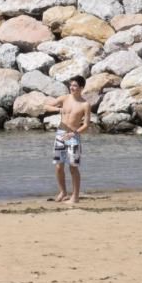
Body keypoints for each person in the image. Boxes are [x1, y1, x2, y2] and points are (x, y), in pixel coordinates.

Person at [43, 76, 90, 205]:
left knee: (73, 167)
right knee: (58, 166)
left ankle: (75, 197)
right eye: (71, 85)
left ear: (81, 88)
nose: (72, 87)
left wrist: (73, 133)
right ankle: (63, 192)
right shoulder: (64, 98)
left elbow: (86, 125)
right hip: (60, 134)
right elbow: (46, 106)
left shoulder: (85, 104)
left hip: (73, 137)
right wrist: (58, 109)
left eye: (75, 86)